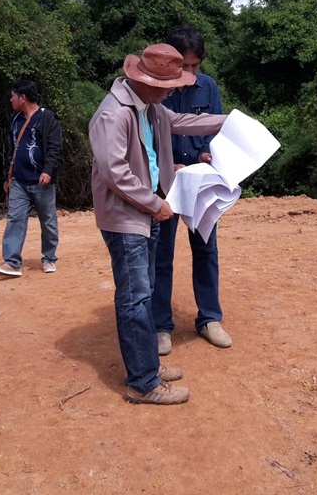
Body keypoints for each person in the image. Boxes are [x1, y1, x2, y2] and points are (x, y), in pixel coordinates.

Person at [89, 43, 226, 405]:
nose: (173, 92)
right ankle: (143, 383)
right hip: (126, 216)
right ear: (147, 81)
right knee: (134, 297)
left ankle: (146, 364)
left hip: (145, 211)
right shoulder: (114, 115)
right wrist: (155, 203)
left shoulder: (149, 108)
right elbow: (114, 172)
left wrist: (230, 121)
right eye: (168, 86)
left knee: (144, 291)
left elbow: (182, 122)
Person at [153, 25, 230, 355]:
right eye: (184, 65)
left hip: (199, 182)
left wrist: (205, 154)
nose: (189, 72)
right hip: (164, 185)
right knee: (161, 255)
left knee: (206, 249)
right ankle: (160, 325)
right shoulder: (157, 89)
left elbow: (214, 132)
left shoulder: (208, 87)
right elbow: (146, 137)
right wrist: (167, 165)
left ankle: (210, 318)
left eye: (195, 66)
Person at [0, 79, 62, 277]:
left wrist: (48, 171)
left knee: (48, 221)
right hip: (19, 181)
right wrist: (8, 176)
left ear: (23, 97)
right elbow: (10, 149)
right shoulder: (15, 120)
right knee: (15, 219)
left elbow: (55, 147)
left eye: (13, 95)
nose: (10, 99)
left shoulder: (48, 118)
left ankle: (49, 258)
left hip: (42, 181)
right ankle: (12, 263)